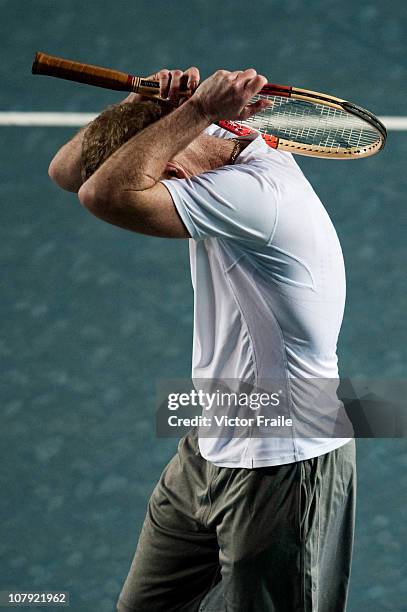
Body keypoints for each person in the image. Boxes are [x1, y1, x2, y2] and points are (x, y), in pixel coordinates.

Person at [49, 66, 356, 612]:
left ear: (167, 163)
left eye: (160, 175)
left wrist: (189, 111)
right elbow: (67, 172)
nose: (163, 186)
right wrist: (137, 103)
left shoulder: (255, 194)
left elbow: (104, 193)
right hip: (210, 442)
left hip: (284, 461)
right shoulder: (223, 140)